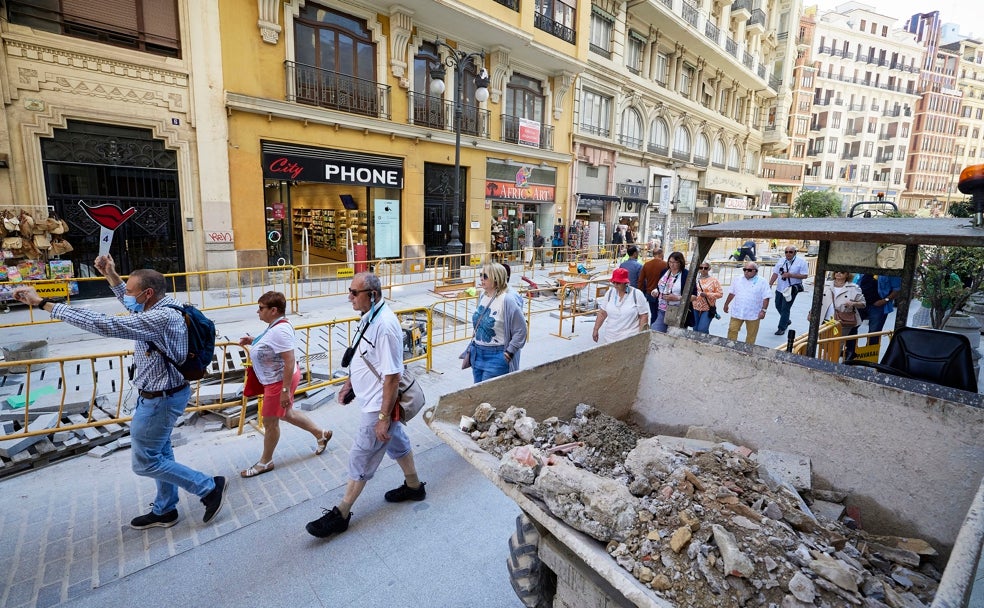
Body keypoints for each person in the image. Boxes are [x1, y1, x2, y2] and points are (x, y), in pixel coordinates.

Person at [12, 256, 226, 530]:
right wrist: (111, 274)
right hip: (161, 395)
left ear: (147, 294)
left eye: (129, 289)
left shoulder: (159, 317)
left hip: (160, 400)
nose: (126, 294)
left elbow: (107, 324)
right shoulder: (161, 303)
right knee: (160, 453)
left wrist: (44, 304)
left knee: (145, 463)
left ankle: (208, 487)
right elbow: (130, 304)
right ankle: (165, 509)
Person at [306, 272, 425, 539]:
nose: (349, 297)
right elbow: (363, 355)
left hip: (378, 405)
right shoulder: (369, 317)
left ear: (371, 295)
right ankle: (414, 487)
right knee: (397, 442)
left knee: (361, 455)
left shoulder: (385, 325)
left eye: (353, 293)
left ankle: (342, 512)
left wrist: (383, 416)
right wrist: (351, 383)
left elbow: (392, 376)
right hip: (371, 398)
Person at [238, 291, 332, 478]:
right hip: (276, 379)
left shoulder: (280, 330)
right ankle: (320, 434)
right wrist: (254, 341)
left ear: (273, 310)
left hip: (278, 382)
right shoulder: (276, 325)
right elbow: (271, 343)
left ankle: (266, 462)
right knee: (287, 414)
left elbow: (289, 361)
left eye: (261, 308)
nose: (258, 312)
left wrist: (284, 390)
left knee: (270, 422)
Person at [461, 263, 527, 383]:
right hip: (477, 354)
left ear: (496, 279)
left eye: (485, 276)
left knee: (488, 396)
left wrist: (509, 352)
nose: (481, 278)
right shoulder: (483, 296)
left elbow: (521, 330)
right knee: (479, 394)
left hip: (496, 356)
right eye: (480, 275)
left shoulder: (508, 300)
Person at [813, 271, 866, 361]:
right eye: (836, 272)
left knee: (837, 344)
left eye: (842, 272)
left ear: (847, 274)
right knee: (824, 343)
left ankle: (832, 362)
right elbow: (817, 300)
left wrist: (853, 303)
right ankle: (825, 361)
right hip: (824, 319)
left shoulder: (854, 287)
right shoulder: (826, 284)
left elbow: (863, 304)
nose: (838, 274)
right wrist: (812, 312)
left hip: (842, 321)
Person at [592, 268, 649, 343]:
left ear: (625, 283)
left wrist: (641, 337)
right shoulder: (610, 293)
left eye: (618, 283)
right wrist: (596, 329)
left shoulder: (637, 294)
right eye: (614, 282)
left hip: (629, 338)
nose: (615, 285)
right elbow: (602, 313)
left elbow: (643, 316)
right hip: (610, 337)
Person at [723, 262, 771, 344]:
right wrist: (726, 304)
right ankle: (730, 346)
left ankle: (748, 351)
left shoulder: (762, 282)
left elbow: (766, 297)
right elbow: (732, 293)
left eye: (749, 270)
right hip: (738, 311)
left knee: (751, 334)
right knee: (732, 330)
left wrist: (763, 311)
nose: (746, 272)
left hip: (753, 314)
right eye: (744, 269)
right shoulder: (737, 279)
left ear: (755, 271)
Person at [768, 246, 809, 335]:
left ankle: (781, 327)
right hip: (780, 288)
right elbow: (775, 273)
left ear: (795, 253)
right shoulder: (781, 260)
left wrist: (790, 275)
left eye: (790, 252)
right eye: (786, 252)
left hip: (791, 288)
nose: (788, 254)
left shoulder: (801, 262)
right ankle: (786, 319)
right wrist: (770, 283)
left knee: (785, 308)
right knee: (778, 305)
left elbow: (805, 275)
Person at [857, 273, 901, 346]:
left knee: (874, 333)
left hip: (878, 306)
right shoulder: (865, 269)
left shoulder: (890, 272)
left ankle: (869, 355)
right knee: (852, 328)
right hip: (860, 303)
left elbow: (897, 289)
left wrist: (884, 300)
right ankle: (850, 351)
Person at [651, 251, 688, 332]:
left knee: (674, 335)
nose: (672, 264)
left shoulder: (686, 274)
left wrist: (677, 298)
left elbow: (693, 296)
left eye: (675, 262)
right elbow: (659, 286)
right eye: (670, 262)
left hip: (677, 310)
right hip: (662, 308)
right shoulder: (665, 271)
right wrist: (655, 291)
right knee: (656, 331)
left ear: (680, 263)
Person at [691, 262, 723, 334]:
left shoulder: (714, 280)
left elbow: (720, 294)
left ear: (709, 269)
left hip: (707, 308)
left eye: (705, 268)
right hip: (695, 307)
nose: (703, 270)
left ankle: (705, 342)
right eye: (701, 268)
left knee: (702, 329)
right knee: (695, 329)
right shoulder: (695, 280)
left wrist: (707, 294)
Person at [638, 247, 667, 325]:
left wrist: (641, 293)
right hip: (661, 294)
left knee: (653, 313)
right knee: (661, 314)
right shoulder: (665, 264)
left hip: (650, 292)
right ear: (661, 254)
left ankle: (653, 328)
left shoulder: (647, 265)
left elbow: (641, 280)